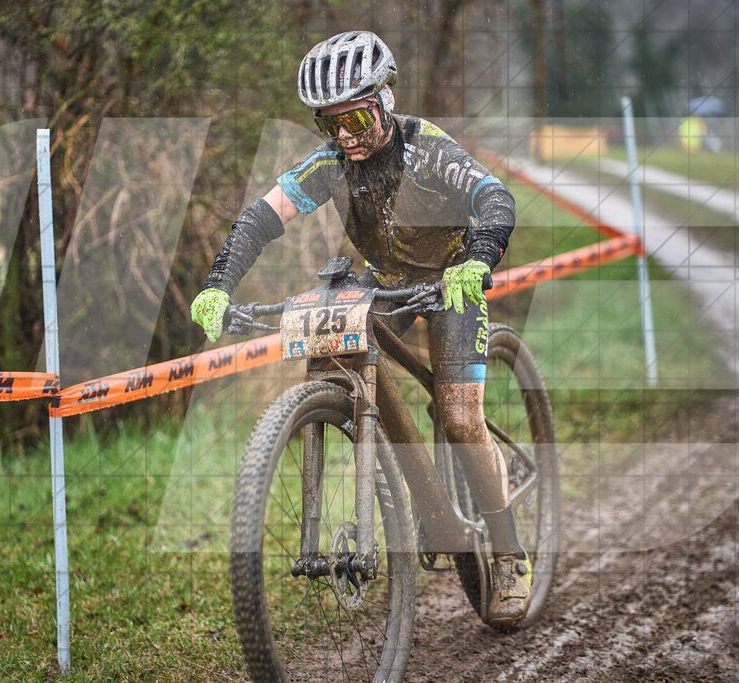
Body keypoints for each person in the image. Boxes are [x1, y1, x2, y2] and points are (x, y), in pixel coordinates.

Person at [190, 31, 530, 623]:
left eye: (355, 118)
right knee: (339, 341)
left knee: (457, 415)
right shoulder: (331, 165)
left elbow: (494, 198)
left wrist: (478, 259)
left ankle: (509, 554)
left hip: (453, 280)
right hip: (387, 278)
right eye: (330, 123)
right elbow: (262, 217)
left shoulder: (428, 148)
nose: (344, 136)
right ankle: (399, 469)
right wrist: (218, 284)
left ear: (384, 102)